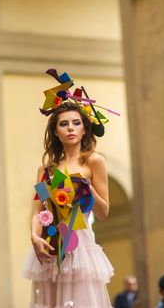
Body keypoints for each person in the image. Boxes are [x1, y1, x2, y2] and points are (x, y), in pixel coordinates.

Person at [23, 96, 115, 307]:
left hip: (80, 247)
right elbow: (39, 210)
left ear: (85, 128)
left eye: (76, 123)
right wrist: (34, 237)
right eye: (63, 124)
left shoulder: (94, 161)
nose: (70, 128)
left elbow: (103, 212)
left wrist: (87, 188)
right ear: (56, 132)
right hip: (51, 244)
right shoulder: (46, 170)